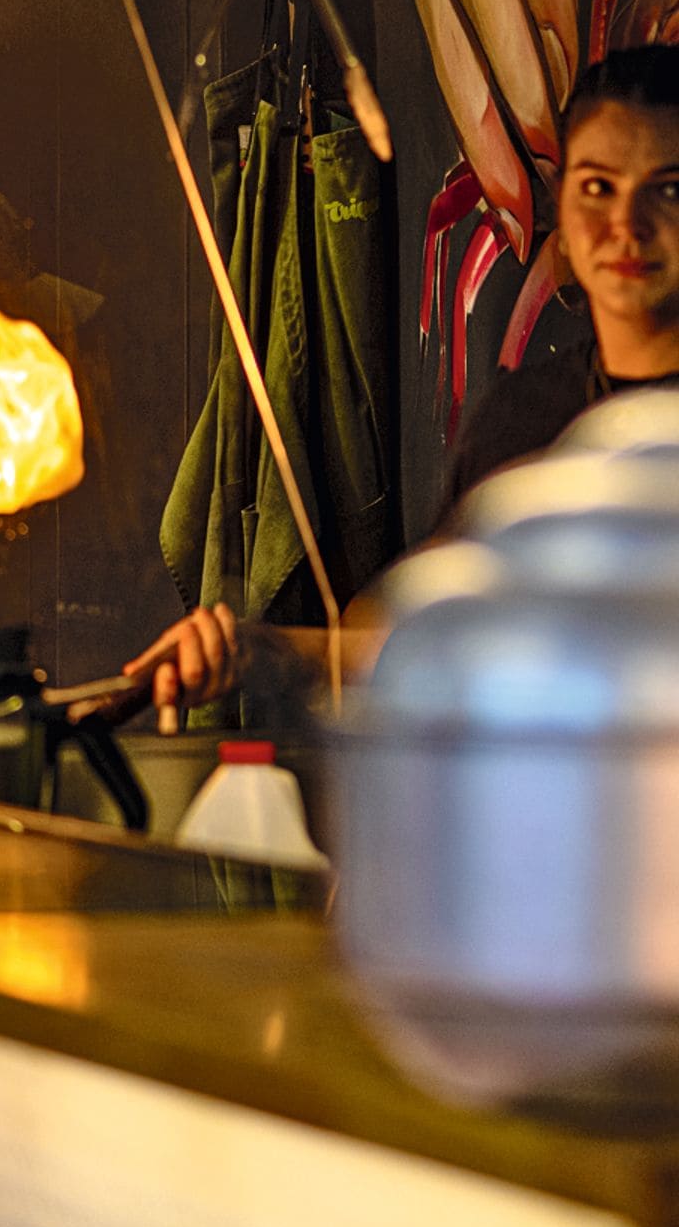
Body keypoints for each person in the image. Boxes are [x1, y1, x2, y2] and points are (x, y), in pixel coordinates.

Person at [118, 43, 679, 728]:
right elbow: (416, 638)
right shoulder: (523, 421)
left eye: (669, 190)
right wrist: (253, 651)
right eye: (598, 187)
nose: (626, 225)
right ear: (560, 199)